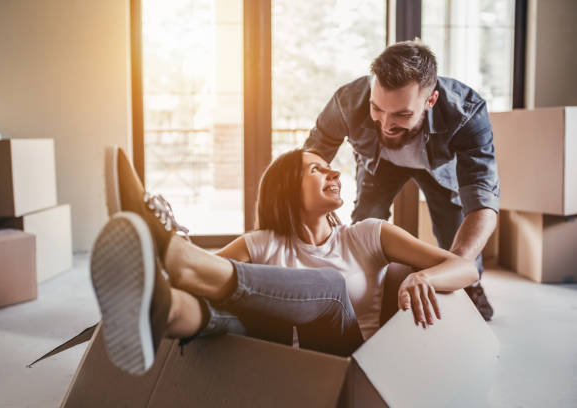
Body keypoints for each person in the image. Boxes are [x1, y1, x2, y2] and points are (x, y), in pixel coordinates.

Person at [91, 146, 477, 376]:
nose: (333, 171)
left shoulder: (368, 233)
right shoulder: (260, 243)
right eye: (316, 168)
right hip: (270, 368)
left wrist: (424, 278)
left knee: (330, 287)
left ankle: (177, 251)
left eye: (329, 166)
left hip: (346, 369)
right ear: (288, 190)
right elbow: (196, 291)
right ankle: (167, 312)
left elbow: (464, 268)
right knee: (230, 312)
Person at [303, 40, 499, 320]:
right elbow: (310, 159)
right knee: (366, 220)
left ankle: (472, 286)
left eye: (402, 114)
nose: (385, 124)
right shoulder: (347, 101)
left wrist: (454, 271)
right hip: (379, 164)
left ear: (431, 100)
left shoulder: (467, 110)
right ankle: (364, 291)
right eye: (377, 109)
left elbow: (483, 202)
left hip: (437, 168)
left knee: (452, 230)